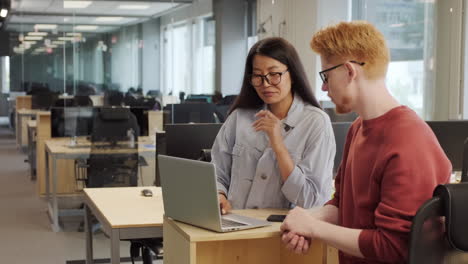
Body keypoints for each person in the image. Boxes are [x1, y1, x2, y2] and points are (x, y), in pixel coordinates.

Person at [280, 21, 451, 263]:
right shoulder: (357, 129)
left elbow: (394, 247)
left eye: (326, 76)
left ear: (349, 71)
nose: (324, 87)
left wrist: (314, 228)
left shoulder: (409, 140)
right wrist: (308, 220)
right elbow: (343, 207)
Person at [211, 37, 336, 214]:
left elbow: (311, 200)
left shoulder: (316, 123)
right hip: (235, 226)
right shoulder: (239, 118)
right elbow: (216, 172)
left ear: (292, 74)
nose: (266, 83)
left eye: (274, 74)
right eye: (258, 76)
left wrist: (278, 146)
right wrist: (219, 194)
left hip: (282, 233)